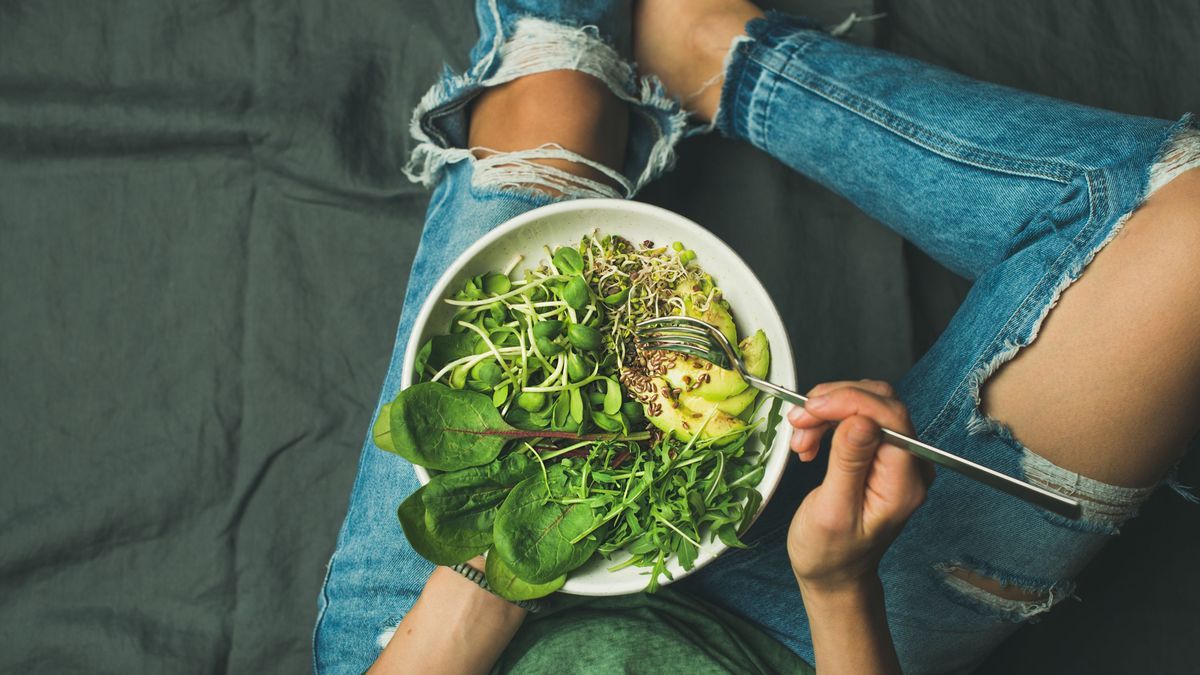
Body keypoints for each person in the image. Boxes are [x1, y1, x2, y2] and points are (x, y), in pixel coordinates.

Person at [313, 1, 1200, 673]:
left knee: (557, 76)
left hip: (442, 636)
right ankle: (732, 65)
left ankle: (677, 56)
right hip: (791, 639)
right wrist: (839, 583)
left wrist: (484, 572)